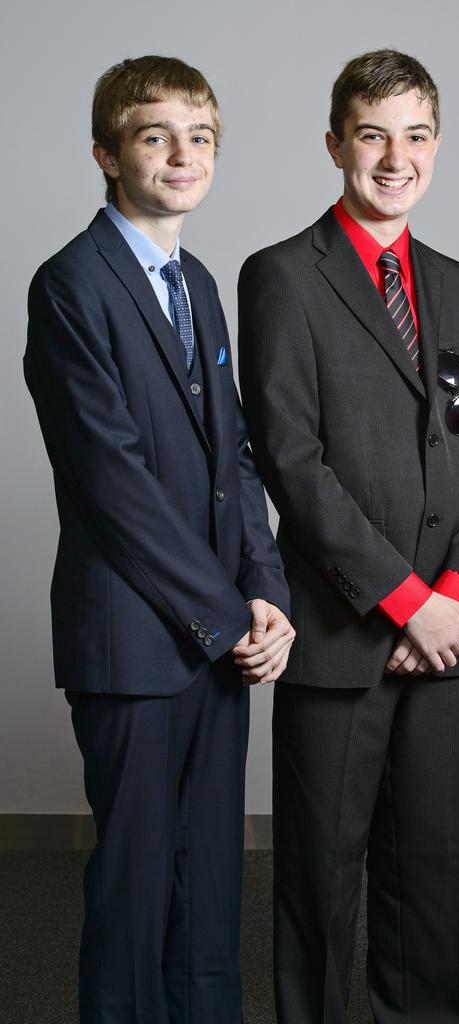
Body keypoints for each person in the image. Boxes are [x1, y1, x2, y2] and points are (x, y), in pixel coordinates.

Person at [237, 48, 459, 1024]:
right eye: (373, 135)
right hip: (345, 633)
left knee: (428, 873)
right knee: (321, 878)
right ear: (335, 144)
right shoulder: (281, 276)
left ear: (436, 145)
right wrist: (404, 599)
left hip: (448, 634)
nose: (395, 157)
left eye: (416, 135)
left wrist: (457, 598)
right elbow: (292, 460)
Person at [24, 55, 293, 1023]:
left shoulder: (201, 284)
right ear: (107, 153)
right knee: (136, 892)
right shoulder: (69, 287)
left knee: (211, 887)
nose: (183, 154)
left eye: (200, 137)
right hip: (135, 646)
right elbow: (114, 490)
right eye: (155, 136)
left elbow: (238, 459)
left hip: (220, 644)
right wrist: (227, 616)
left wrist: (268, 594)